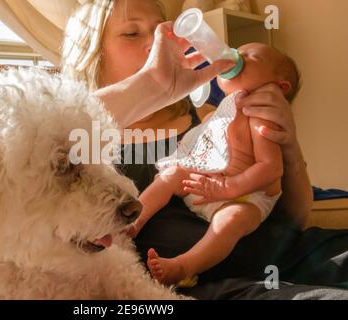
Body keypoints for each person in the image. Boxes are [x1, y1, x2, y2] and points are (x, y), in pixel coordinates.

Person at [61, 0, 348, 298]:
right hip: (215, 286)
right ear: (93, 53)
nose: (154, 44)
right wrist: (146, 87)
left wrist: (288, 145)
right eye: (132, 34)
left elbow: (294, 217)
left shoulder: (210, 111)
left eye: (160, 30)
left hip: (295, 254)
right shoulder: (80, 140)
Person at [128, 43, 299, 286]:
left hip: (245, 197)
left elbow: (271, 168)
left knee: (232, 221)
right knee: (171, 174)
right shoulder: (225, 108)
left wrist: (228, 187)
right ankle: (135, 221)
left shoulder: (260, 116)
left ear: (278, 87)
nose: (237, 55)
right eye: (239, 50)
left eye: (250, 56)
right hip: (207, 185)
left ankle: (184, 265)